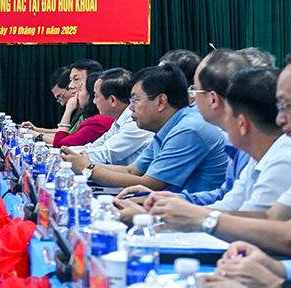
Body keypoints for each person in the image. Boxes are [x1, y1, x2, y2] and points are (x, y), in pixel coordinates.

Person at [151, 48, 291, 257]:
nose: (280, 119)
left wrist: (202, 219)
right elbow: (271, 217)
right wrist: (189, 213)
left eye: (286, 105)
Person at [119, 50, 252, 206]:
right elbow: (223, 196)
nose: (190, 98)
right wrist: (166, 201)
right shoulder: (236, 140)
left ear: (213, 99)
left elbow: (243, 212)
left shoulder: (193, 128)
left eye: (194, 91)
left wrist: (171, 209)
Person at [71, 64, 228, 193]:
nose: (130, 108)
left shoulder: (189, 129)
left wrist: (88, 168)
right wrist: (82, 163)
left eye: (135, 100)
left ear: (160, 101)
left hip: (194, 213)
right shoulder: (167, 126)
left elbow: (149, 183)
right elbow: (132, 171)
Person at [62, 67, 153, 166]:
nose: (94, 101)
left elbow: (105, 154)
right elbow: (96, 146)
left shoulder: (135, 123)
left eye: (96, 96)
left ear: (112, 100)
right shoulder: (119, 120)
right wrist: (61, 152)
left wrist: (65, 155)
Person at [38, 72, 114, 146]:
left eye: (80, 90)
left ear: (90, 95)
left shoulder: (98, 122)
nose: (76, 93)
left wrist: (68, 111)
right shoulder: (91, 118)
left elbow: (59, 143)